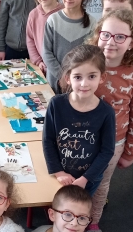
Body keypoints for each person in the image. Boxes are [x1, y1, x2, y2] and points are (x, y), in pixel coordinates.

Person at [86, 9, 133, 232]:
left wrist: (130, 152)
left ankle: (92, 223)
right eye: (106, 34)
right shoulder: (87, 64)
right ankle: (69, 216)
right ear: (98, 35)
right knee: (76, 180)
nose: (111, 41)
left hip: (113, 144)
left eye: (120, 37)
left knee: (101, 184)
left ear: (131, 42)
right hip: (81, 139)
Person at [43, 44, 115, 197]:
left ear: (102, 78)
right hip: (61, 176)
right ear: (67, 78)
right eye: (77, 77)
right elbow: (48, 140)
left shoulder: (106, 113)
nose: (84, 83)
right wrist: (58, 171)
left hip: (89, 178)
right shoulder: (56, 104)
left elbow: (107, 151)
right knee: (61, 209)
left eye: (91, 76)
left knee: (81, 212)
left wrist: (85, 179)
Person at [43, 0, 96, 94]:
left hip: (79, 86)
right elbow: (46, 52)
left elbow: (89, 58)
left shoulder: (92, 24)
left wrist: (73, 79)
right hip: (54, 83)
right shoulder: (53, 20)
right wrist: (62, 77)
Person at [26, 0, 63, 74]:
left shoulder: (64, 12)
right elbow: (30, 40)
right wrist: (38, 61)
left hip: (62, 69)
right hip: (42, 68)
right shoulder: (33, 15)